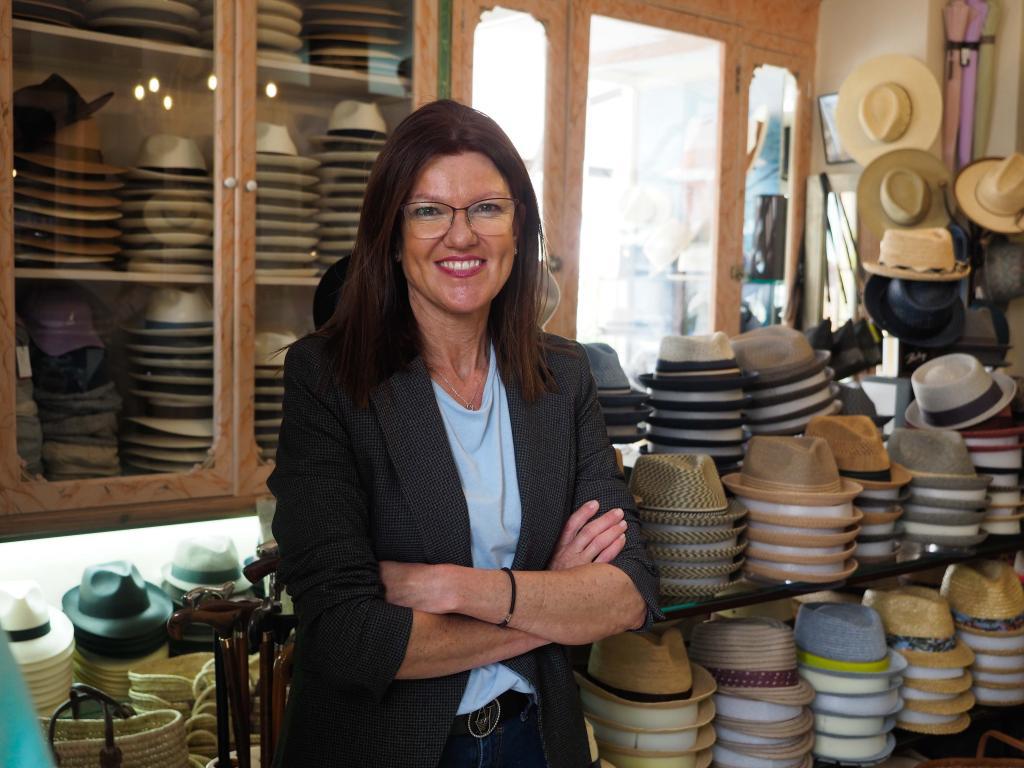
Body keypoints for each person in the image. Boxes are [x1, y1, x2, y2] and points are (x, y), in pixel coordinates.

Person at [268, 100, 660, 768]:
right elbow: (347, 637)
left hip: (535, 740)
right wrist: (548, 597)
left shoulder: (563, 376)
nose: (461, 236)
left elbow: (629, 593)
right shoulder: (328, 379)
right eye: (429, 211)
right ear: (392, 236)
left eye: (486, 208)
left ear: (518, 229)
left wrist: (458, 589)